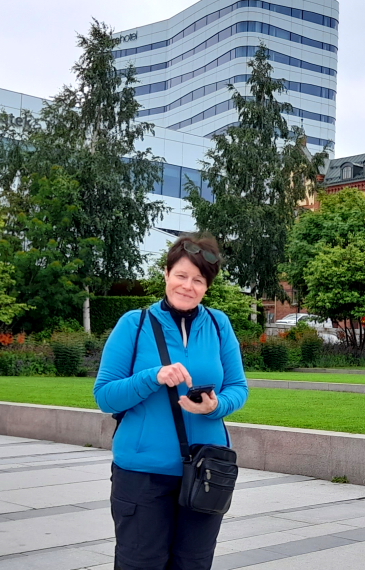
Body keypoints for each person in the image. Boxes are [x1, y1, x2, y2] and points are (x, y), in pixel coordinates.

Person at [94, 234, 248, 570]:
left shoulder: (219, 324)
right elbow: (105, 396)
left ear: (207, 287)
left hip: (207, 469)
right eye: (181, 275)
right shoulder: (134, 324)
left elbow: (238, 387)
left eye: (198, 280)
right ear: (166, 274)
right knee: (140, 563)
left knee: (193, 563)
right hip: (142, 473)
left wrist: (216, 406)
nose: (188, 286)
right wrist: (153, 377)